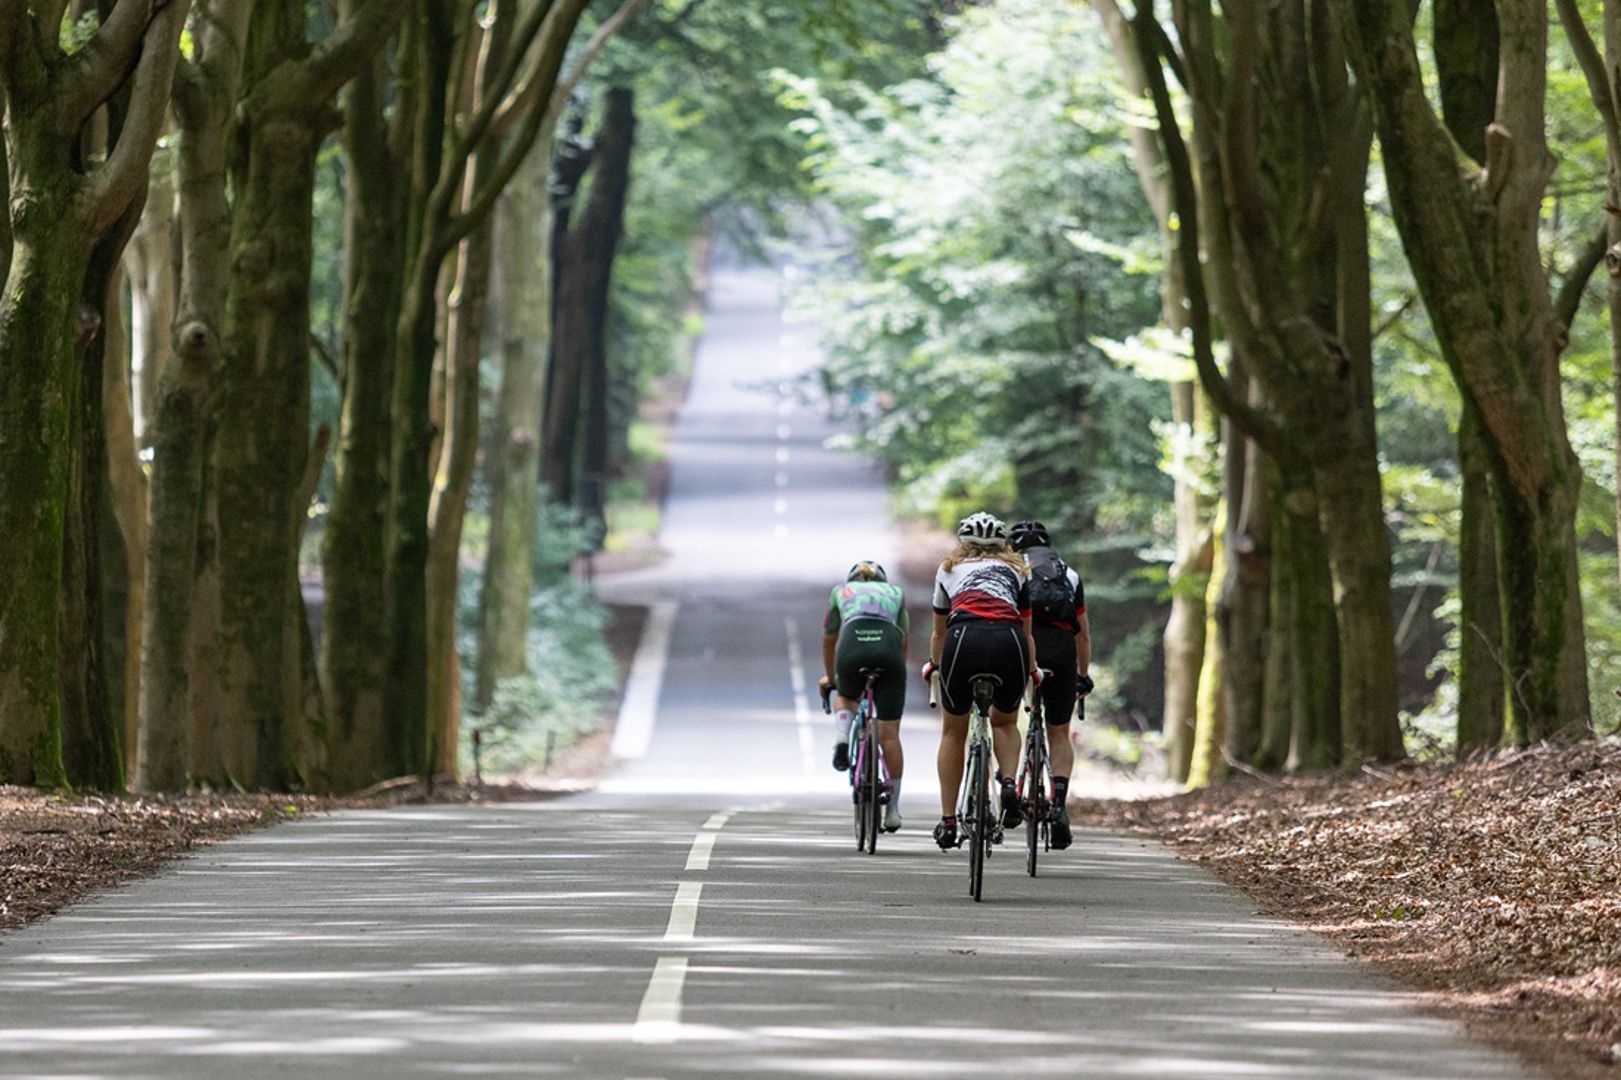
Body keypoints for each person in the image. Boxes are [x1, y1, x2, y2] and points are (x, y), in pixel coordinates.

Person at [922, 512, 1039, 851]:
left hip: (963, 640)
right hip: (1009, 641)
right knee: (1005, 722)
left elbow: (939, 632)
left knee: (953, 731)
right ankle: (1007, 784)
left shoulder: (947, 569)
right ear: (1003, 544)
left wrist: (935, 666)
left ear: (963, 543)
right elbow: (1028, 633)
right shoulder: (1018, 571)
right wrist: (1032, 670)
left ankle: (947, 821)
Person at [1008, 520, 1093, 850]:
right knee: (1058, 731)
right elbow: (1082, 633)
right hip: (1060, 647)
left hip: (1021, 645)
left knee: (1004, 722)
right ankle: (1058, 803)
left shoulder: (1011, 571)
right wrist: (1082, 675)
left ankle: (1010, 791)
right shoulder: (1068, 573)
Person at [818, 560, 909, 832]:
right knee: (889, 734)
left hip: (851, 644)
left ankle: (843, 736)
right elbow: (902, 640)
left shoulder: (840, 591)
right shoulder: (896, 592)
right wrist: (895, 674)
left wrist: (832, 678)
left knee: (845, 696)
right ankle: (892, 810)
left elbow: (828, 638)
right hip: (889, 651)